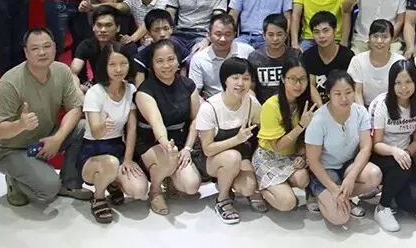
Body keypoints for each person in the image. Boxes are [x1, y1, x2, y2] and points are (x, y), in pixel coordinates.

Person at [0, 28, 92, 206]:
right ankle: (14, 181)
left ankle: (69, 184)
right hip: (9, 149)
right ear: (26, 52)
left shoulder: (62, 71)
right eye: (35, 48)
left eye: (47, 46)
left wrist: (58, 138)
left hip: (43, 137)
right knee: (49, 188)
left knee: (84, 127)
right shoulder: (10, 83)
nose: (42, 52)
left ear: (55, 47)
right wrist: (20, 125)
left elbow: (75, 108)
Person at [79, 44, 148, 223]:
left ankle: (112, 182)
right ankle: (99, 197)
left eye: (123, 63)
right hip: (93, 150)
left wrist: (128, 159)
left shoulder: (131, 90)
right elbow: (95, 131)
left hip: (118, 147)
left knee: (139, 191)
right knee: (110, 163)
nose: (118, 69)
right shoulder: (95, 92)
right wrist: (104, 126)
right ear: (104, 66)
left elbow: (131, 128)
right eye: (112, 64)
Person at [305, 70, 383, 226]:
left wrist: (351, 177)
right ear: (328, 94)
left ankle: (342, 197)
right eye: (337, 94)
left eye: (348, 92)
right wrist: (334, 189)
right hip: (326, 170)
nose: (344, 98)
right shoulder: (318, 120)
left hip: (348, 165)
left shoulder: (360, 112)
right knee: (340, 218)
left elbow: (366, 147)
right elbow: (313, 161)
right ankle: (317, 193)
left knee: (374, 175)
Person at [134, 40, 203, 215]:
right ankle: (155, 190)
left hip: (179, 142)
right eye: (160, 61)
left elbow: (195, 119)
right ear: (152, 64)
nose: (166, 65)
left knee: (191, 186)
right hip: (152, 142)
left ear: (178, 61)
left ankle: (169, 176)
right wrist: (166, 144)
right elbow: (156, 122)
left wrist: (187, 148)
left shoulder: (188, 85)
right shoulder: (145, 90)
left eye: (170, 59)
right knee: (168, 157)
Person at [195, 56, 266, 223]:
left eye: (246, 78)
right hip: (211, 159)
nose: (240, 83)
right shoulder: (209, 107)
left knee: (248, 188)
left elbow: (263, 128)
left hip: (241, 154)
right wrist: (237, 139)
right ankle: (222, 199)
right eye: (235, 77)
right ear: (224, 80)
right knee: (232, 157)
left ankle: (226, 180)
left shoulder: (251, 103)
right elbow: (207, 149)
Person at [369, 59, 416, 231]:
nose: (404, 87)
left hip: (405, 156)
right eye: (398, 83)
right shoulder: (381, 104)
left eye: (408, 82)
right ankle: (382, 207)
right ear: (391, 84)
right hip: (381, 154)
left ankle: (389, 189)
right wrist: (395, 152)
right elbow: (376, 144)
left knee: (413, 202)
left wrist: (406, 153)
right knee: (402, 167)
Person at [253, 53, 315, 212]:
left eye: (302, 79)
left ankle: (280, 185)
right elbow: (278, 146)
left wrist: (302, 155)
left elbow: (304, 139)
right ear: (282, 79)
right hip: (269, 156)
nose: (298, 84)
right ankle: (260, 190)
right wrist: (300, 125)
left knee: (303, 179)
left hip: (290, 156)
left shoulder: (304, 103)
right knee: (288, 203)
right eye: (292, 79)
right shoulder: (271, 105)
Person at [188, 13, 254, 98]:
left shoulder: (247, 51)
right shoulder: (198, 58)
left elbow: (253, 84)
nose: (223, 39)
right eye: (218, 34)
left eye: (227, 34)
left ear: (234, 35)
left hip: (242, 99)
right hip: (212, 102)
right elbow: (195, 93)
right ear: (209, 35)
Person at [71, 5, 137, 87]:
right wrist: (77, 90)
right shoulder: (86, 45)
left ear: (118, 28)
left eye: (108, 25)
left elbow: (134, 77)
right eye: (99, 25)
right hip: (97, 86)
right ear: (93, 27)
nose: (103, 30)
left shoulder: (127, 46)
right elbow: (74, 73)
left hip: (123, 86)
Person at [302, 12, 355, 104]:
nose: (321, 36)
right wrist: (321, 108)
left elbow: (350, 87)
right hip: (317, 105)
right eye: (316, 32)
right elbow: (310, 85)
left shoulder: (347, 56)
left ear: (335, 31)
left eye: (326, 31)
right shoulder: (308, 56)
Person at [349, 19, 405, 107]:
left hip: (392, 108)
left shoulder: (399, 62)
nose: (379, 41)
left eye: (384, 37)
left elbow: (402, 92)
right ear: (369, 38)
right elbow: (357, 92)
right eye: (375, 36)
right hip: (364, 108)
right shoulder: (357, 61)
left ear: (392, 39)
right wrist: (363, 114)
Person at [133, 8, 190, 84]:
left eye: (166, 29)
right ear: (149, 33)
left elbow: (184, 77)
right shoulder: (142, 56)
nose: (162, 34)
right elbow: (140, 82)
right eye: (156, 30)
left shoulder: (179, 49)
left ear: (171, 29)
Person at [248, 14, 294, 103]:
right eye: (270, 35)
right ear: (264, 35)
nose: (275, 39)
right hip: (262, 106)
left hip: (290, 104)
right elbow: (250, 87)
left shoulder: (295, 56)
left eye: (279, 34)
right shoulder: (254, 57)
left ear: (286, 35)